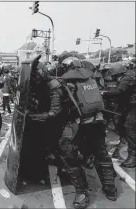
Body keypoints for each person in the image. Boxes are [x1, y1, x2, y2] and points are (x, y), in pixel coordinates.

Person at [61, 56, 118, 208]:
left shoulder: (68, 82)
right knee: (101, 152)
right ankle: (110, 189)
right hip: (98, 121)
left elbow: (63, 107)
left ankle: (82, 193)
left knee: (70, 155)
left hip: (80, 125)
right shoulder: (93, 79)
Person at [102, 67, 136, 168]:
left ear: (118, 74)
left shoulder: (127, 78)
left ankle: (133, 156)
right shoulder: (128, 76)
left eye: (114, 76)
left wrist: (104, 94)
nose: (113, 78)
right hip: (130, 105)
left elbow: (119, 92)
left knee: (130, 127)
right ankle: (123, 145)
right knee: (121, 123)